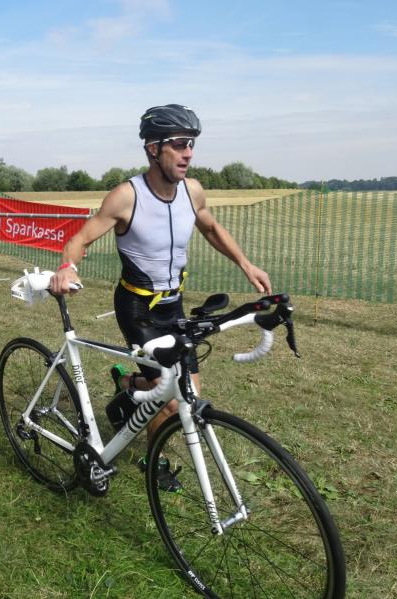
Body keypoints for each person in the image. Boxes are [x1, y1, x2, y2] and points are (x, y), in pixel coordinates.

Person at [50, 104, 272, 488]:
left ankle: (127, 387)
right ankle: (156, 462)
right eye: (180, 144)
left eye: (192, 144)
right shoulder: (126, 196)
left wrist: (246, 264)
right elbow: (80, 238)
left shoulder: (192, 191)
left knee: (187, 391)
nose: (189, 153)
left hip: (174, 305)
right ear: (153, 149)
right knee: (170, 400)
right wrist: (68, 267)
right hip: (137, 308)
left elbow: (211, 228)